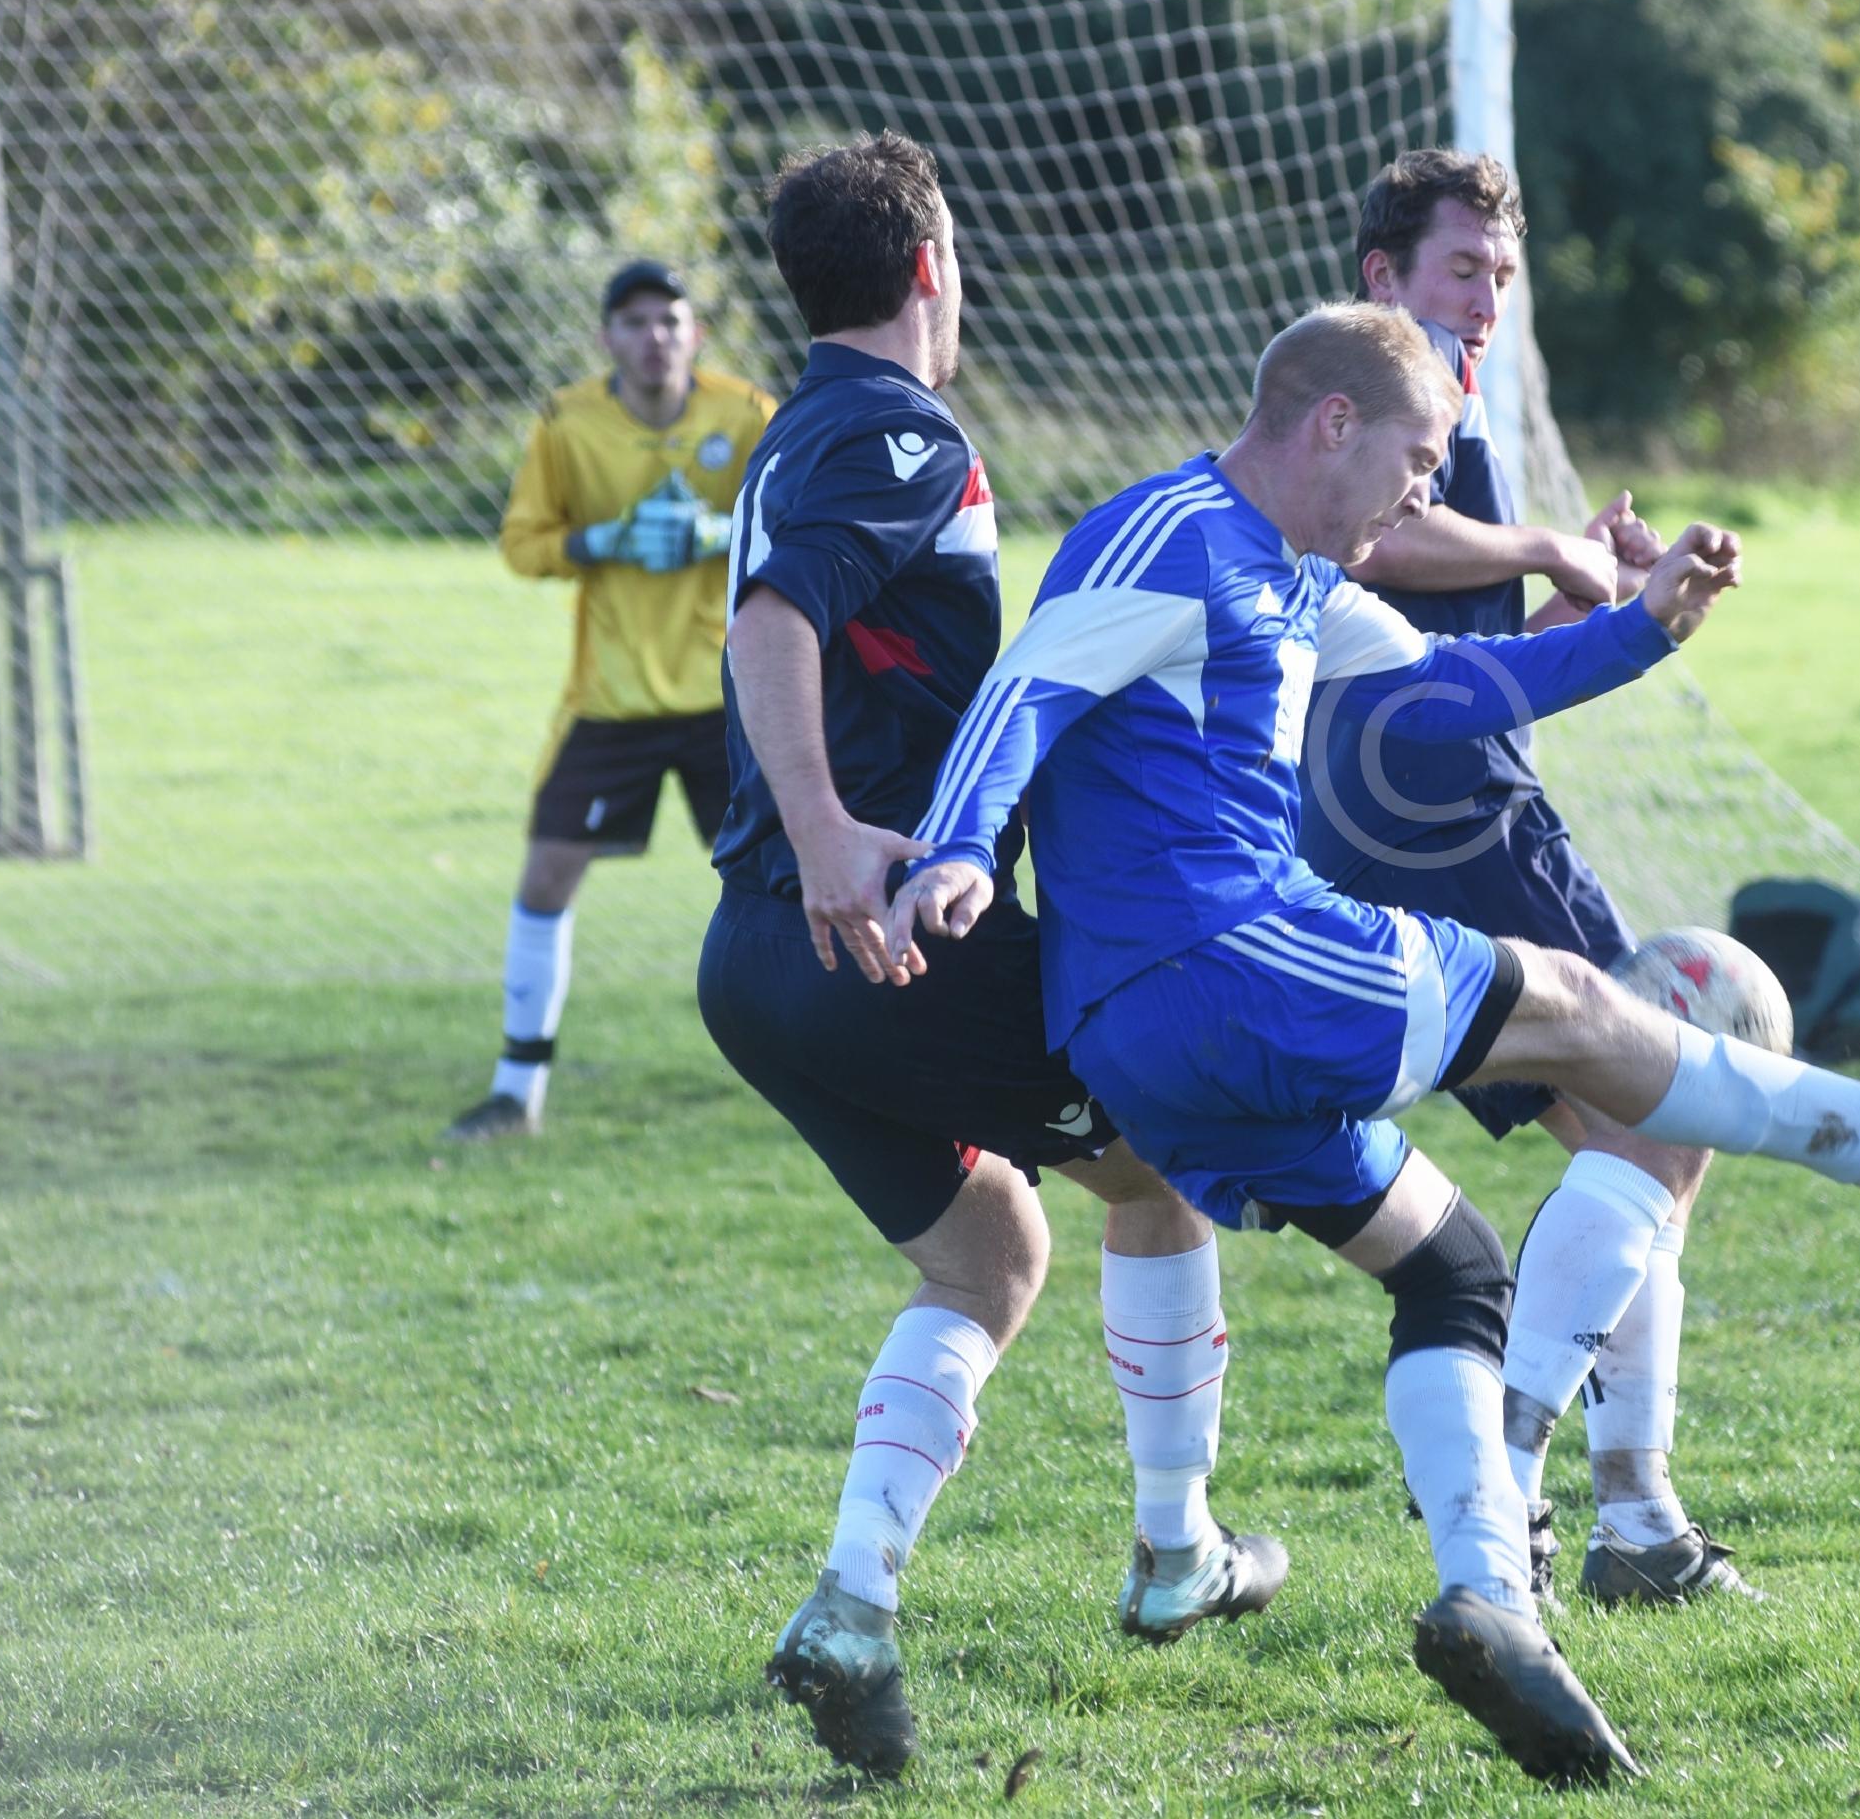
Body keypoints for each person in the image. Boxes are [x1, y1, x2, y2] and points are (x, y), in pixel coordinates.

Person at [879, 302, 1860, 1783]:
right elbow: (1029, 686)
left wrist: (1643, 627)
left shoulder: (1303, 582)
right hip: (1224, 958)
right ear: (1331, 425)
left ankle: (1491, 1600)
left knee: (1454, 1265)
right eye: (1418, 461)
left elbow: (1455, 689)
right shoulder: (1172, 534)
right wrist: (958, 845)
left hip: (1150, 1040)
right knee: (1583, 1007)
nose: (1425, 498)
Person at [691, 133, 1283, 1782]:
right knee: (1165, 1159)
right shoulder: (893, 429)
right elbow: (774, 626)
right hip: (868, 933)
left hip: (757, 965)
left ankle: (851, 1607)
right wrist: (828, 831)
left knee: (990, 1258)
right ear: (934, 268)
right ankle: (1177, 1557)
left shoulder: (797, 429)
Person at [1302, 149, 1737, 1609]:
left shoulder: (1450, 393)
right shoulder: (1381, 385)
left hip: (1410, 801)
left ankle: (1639, 1524)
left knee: (1636, 1133)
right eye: (1459, 271)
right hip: (1437, 811)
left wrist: (1570, 599)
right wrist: (1552, 541)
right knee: (1675, 1087)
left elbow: (1454, 638)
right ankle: (1543, 1485)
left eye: (1500, 274)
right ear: (1385, 280)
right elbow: (1385, 540)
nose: (1485, 301)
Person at [456, 260, 774, 1142]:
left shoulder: (746, 413)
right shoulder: (567, 422)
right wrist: (603, 539)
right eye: (633, 322)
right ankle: (517, 1093)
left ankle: (852, 1073)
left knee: (783, 880)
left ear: (696, 333)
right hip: (612, 700)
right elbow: (522, 545)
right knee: (546, 876)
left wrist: (723, 531)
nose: (653, 337)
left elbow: (797, 519)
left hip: (731, 694)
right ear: (607, 338)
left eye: (669, 320)